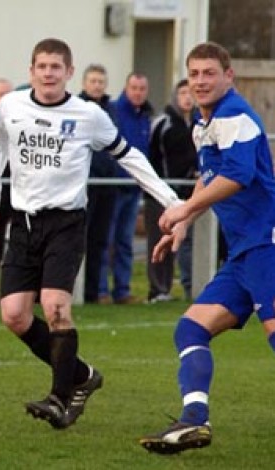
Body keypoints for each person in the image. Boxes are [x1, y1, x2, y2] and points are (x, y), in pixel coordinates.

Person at [0, 38, 181, 429]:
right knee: (14, 316)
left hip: (67, 223)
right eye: (42, 66)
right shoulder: (11, 106)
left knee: (55, 306)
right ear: (31, 70)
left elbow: (129, 156)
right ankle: (82, 376)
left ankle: (59, 397)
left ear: (69, 72)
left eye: (57, 67)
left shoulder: (88, 115)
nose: (49, 73)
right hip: (23, 222)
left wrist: (170, 200)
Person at [139, 42, 275, 454]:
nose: (200, 81)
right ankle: (194, 422)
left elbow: (236, 176)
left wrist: (184, 208)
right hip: (243, 251)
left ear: (228, 76)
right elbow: (210, 176)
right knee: (192, 327)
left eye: (209, 73)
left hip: (267, 243)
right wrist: (183, 222)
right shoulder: (206, 122)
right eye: (194, 74)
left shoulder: (234, 115)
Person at [100, 72, 153, 304]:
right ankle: (101, 290)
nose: (138, 93)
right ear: (126, 88)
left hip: (133, 187)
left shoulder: (145, 116)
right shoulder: (114, 111)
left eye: (142, 89)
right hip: (115, 186)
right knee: (106, 239)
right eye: (134, 88)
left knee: (124, 241)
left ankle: (122, 289)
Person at [145, 79, 198, 303]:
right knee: (160, 240)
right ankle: (158, 290)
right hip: (162, 193)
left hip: (188, 194)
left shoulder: (198, 124)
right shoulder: (163, 123)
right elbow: (153, 157)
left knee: (186, 243)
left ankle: (188, 287)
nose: (187, 97)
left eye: (191, 93)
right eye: (183, 93)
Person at [78, 64, 118, 303]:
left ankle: (94, 290)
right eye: (92, 81)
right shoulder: (77, 109)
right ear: (84, 84)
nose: (96, 86)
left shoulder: (111, 110)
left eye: (100, 82)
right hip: (84, 184)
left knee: (100, 240)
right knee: (79, 238)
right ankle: (76, 289)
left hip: (107, 183)